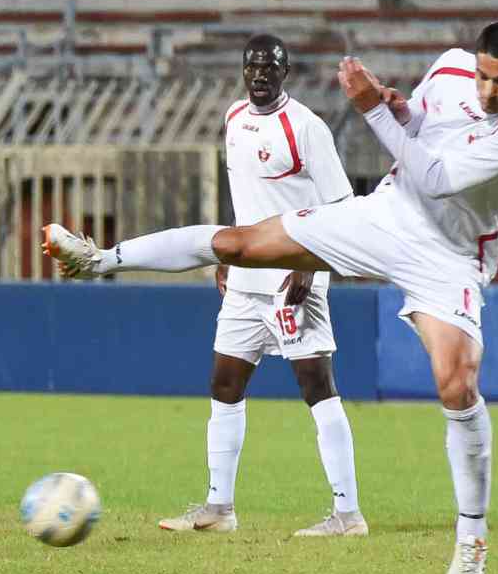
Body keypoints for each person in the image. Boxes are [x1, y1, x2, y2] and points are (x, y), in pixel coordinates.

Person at [43, 20, 498, 574]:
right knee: (239, 244)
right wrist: (398, 106)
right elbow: (423, 121)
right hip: (385, 216)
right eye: (483, 78)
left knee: (456, 385)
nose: (488, 92)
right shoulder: (450, 67)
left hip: (450, 254)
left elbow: (437, 177)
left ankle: (471, 539)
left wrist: (371, 110)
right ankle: (98, 259)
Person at [156, 34, 366, 539]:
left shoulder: (307, 127)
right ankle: (219, 507)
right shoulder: (234, 119)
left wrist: (311, 267)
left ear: (285, 72)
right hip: (247, 279)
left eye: (269, 67)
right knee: (224, 384)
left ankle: (348, 514)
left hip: (295, 275)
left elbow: (341, 207)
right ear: (242, 70)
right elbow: (246, 198)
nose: (260, 75)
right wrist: (232, 251)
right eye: (252, 66)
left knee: (317, 387)